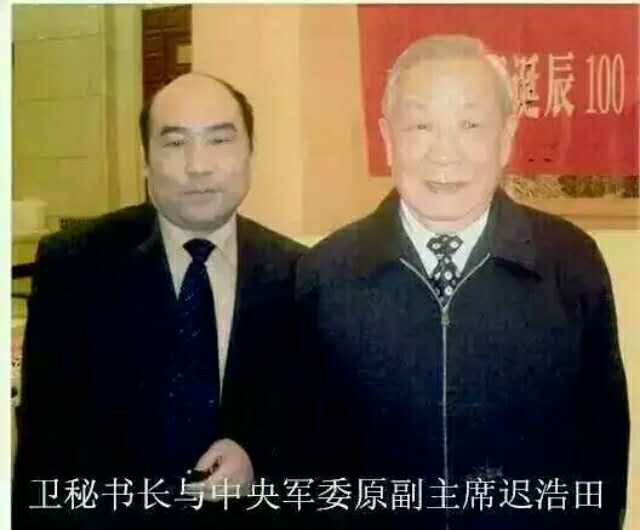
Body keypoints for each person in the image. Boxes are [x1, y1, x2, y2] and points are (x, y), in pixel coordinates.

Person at [296, 35, 629, 529]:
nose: (444, 153)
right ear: (387, 138)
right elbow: (305, 461)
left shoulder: (569, 262)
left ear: (507, 136)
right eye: (421, 125)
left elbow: (602, 449)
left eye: (471, 124)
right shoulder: (327, 272)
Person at [13, 72, 305, 529]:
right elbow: (44, 448)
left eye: (219, 140)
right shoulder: (75, 266)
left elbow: (310, 429)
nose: (198, 166)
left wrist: (257, 457)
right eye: (175, 143)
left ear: (251, 153)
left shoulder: (298, 273)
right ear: (145, 160)